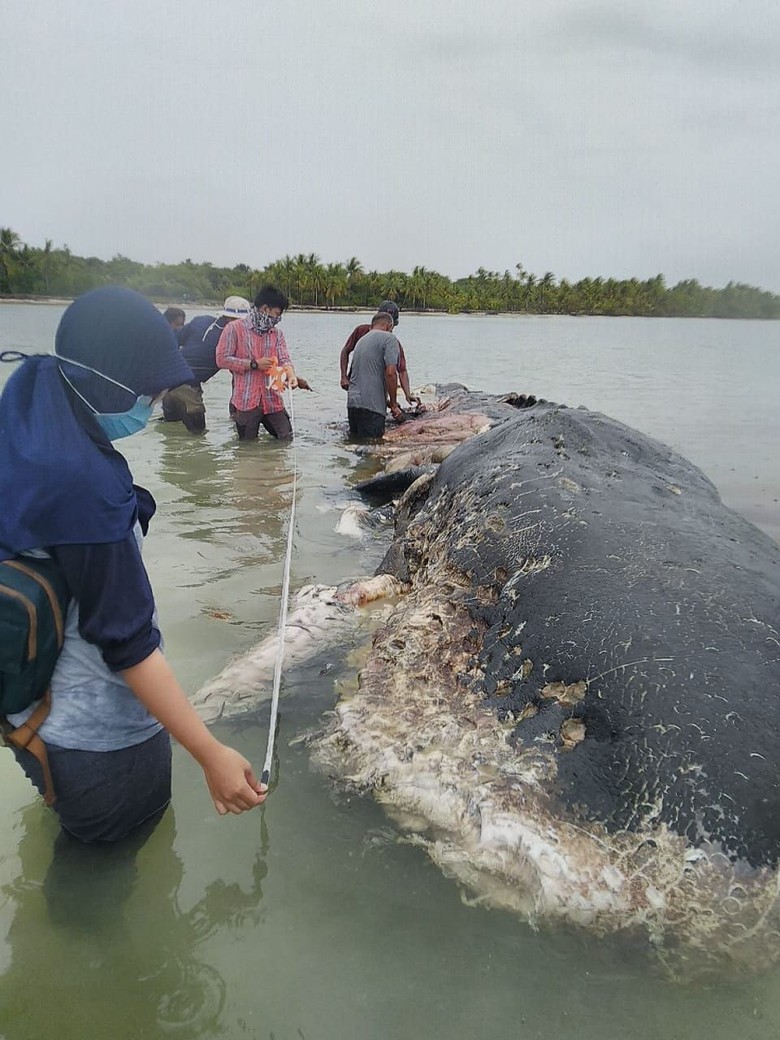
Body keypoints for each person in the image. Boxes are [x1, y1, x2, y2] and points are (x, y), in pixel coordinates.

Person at [0, 286, 267, 843]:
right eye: (146, 391)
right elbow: (126, 642)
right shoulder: (84, 487)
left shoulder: (27, 412)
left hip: (30, 716)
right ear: (108, 379)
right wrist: (209, 753)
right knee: (108, 876)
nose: (151, 403)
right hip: (98, 744)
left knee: (72, 842)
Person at [216, 285, 302, 441]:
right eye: (276, 314)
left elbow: (284, 359)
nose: (278, 319)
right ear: (265, 309)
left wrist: (291, 375)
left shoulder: (277, 334)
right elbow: (221, 359)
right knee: (247, 448)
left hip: (272, 400)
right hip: (246, 401)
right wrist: (254, 364)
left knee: (287, 438)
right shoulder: (234, 329)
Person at [162, 295, 251, 433]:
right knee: (198, 435)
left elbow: (171, 340)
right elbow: (239, 376)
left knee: (171, 436)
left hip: (166, 385)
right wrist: (236, 411)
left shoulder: (200, 321)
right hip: (188, 390)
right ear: (231, 320)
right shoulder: (233, 337)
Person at [339, 300, 419, 406]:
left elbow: (402, 371)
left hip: (374, 392)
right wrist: (343, 377)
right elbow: (345, 351)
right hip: (356, 387)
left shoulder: (393, 343)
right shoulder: (361, 331)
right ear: (390, 325)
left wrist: (407, 395)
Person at [346, 311, 402, 438]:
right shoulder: (390, 338)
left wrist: (386, 401)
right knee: (372, 452)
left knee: (356, 447)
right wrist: (393, 404)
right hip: (372, 409)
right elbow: (391, 373)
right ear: (389, 326)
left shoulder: (361, 340)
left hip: (353, 405)